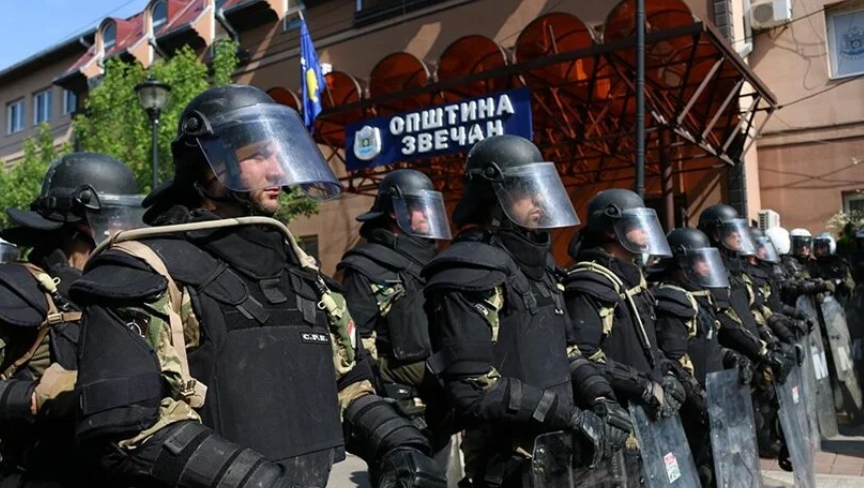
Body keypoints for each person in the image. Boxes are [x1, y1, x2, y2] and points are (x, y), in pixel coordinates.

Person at [69, 85, 446, 488]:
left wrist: (399, 443)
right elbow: (130, 428)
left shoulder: (303, 275)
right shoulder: (146, 270)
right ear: (211, 165)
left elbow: (347, 386)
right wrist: (258, 482)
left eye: (278, 153)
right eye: (259, 155)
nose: (278, 169)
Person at [423, 135, 630, 488]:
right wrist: (570, 415)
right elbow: (474, 387)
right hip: (507, 462)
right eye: (523, 190)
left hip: (558, 454)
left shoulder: (541, 267)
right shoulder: (469, 269)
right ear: (492, 195)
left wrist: (600, 397)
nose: (538, 200)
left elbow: (567, 352)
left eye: (538, 188)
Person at [0, 152, 144, 486]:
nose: (127, 229)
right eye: (116, 218)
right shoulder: (17, 291)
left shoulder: (130, 290)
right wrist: (34, 398)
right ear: (81, 225)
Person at [337, 169, 451, 447]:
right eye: (420, 210)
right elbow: (353, 346)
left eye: (429, 209)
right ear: (395, 212)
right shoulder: (364, 266)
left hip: (441, 399)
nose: (428, 216)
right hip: (399, 405)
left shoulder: (433, 263)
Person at [563, 189, 686, 421]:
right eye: (637, 224)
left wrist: (667, 372)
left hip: (644, 416)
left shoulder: (632, 281)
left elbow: (646, 344)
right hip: (617, 416)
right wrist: (641, 384)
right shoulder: (589, 283)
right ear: (611, 230)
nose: (645, 231)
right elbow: (584, 356)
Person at [649, 227, 751, 487]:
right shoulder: (672, 300)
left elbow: (704, 348)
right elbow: (675, 361)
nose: (706, 268)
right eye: (699, 262)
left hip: (710, 406)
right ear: (682, 264)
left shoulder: (695, 298)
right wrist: (701, 403)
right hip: (691, 412)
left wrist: (731, 357)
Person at [697, 204, 794, 465]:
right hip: (730, 362)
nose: (740, 237)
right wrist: (759, 349)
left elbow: (752, 311)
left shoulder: (736, 268)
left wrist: (773, 340)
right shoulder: (708, 269)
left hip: (750, 357)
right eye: (733, 232)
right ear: (716, 235)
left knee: (761, 414)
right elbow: (725, 319)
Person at [811, 232, 855, 305]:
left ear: (831, 246)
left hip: (839, 302)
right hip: (818, 304)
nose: (819, 251)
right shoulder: (812, 264)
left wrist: (838, 282)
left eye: (822, 248)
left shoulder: (840, 263)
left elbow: (848, 281)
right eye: (816, 247)